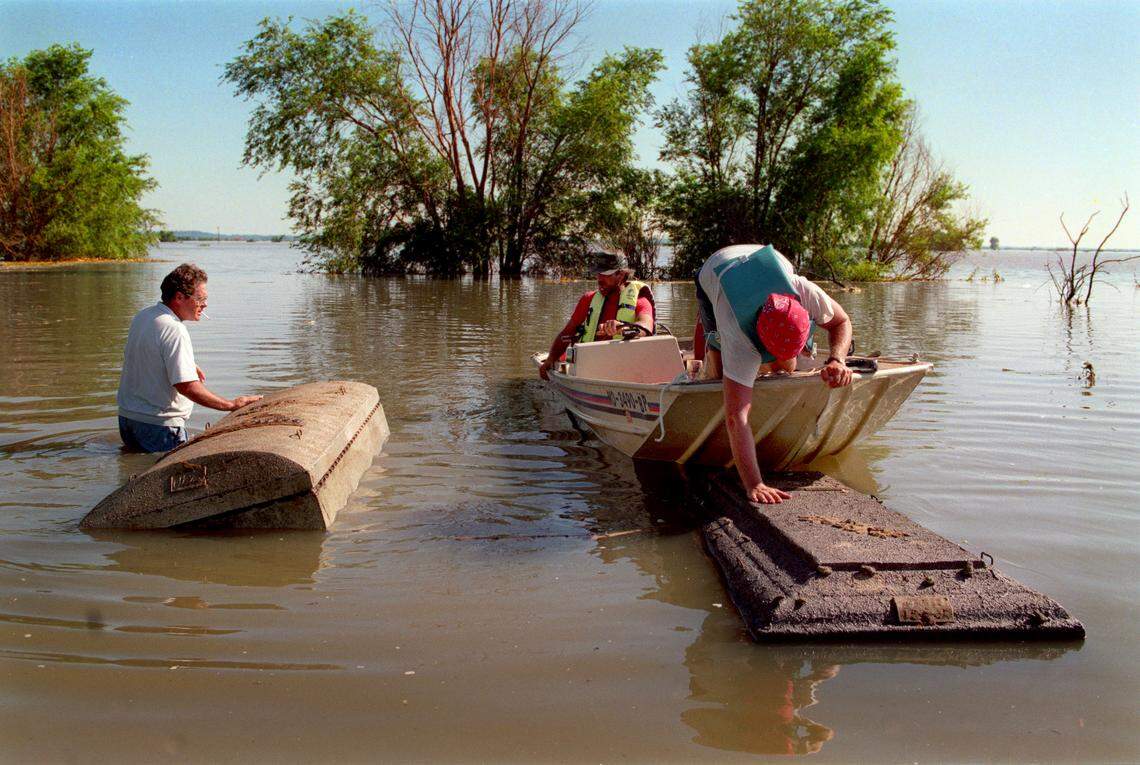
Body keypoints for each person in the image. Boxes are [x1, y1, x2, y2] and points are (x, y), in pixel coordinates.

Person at [695, 244, 853, 505]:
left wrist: (837, 360)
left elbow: (841, 321)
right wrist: (754, 483)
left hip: (762, 261)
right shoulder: (738, 336)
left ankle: (776, 363)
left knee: (785, 369)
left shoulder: (804, 291)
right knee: (718, 375)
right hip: (715, 273)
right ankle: (705, 329)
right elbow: (736, 418)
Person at [116, 263, 262, 452]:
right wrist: (230, 405)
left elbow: (145, 356)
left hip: (128, 421)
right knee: (174, 481)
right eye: (200, 299)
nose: (205, 304)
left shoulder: (144, 316)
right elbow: (186, 386)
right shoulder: (175, 329)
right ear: (179, 297)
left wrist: (188, 364)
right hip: (160, 427)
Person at [538, 252, 655, 380]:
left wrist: (623, 328)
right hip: (590, 367)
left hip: (625, 368)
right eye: (598, 273)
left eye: (605, 274)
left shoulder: (640, 299)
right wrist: (550, 360)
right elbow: (566, 333)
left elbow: (646, 327)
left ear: (621, 275)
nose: (599, 279)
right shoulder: (588, 299)